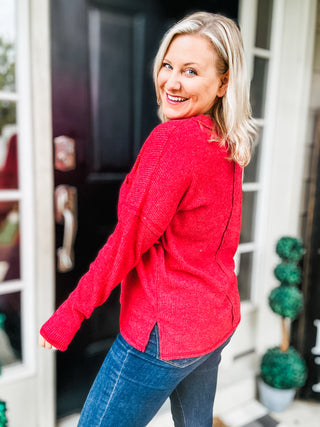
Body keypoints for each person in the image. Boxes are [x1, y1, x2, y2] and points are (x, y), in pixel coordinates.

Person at [39, 11, 256, 427]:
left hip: (164, 331)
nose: (171, 82)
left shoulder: (173, 141)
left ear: (224, 83)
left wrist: (70, 313)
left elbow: (127, 240)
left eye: (190, 71)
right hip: (215, 320)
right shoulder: (225, 139)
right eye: (168, 66)